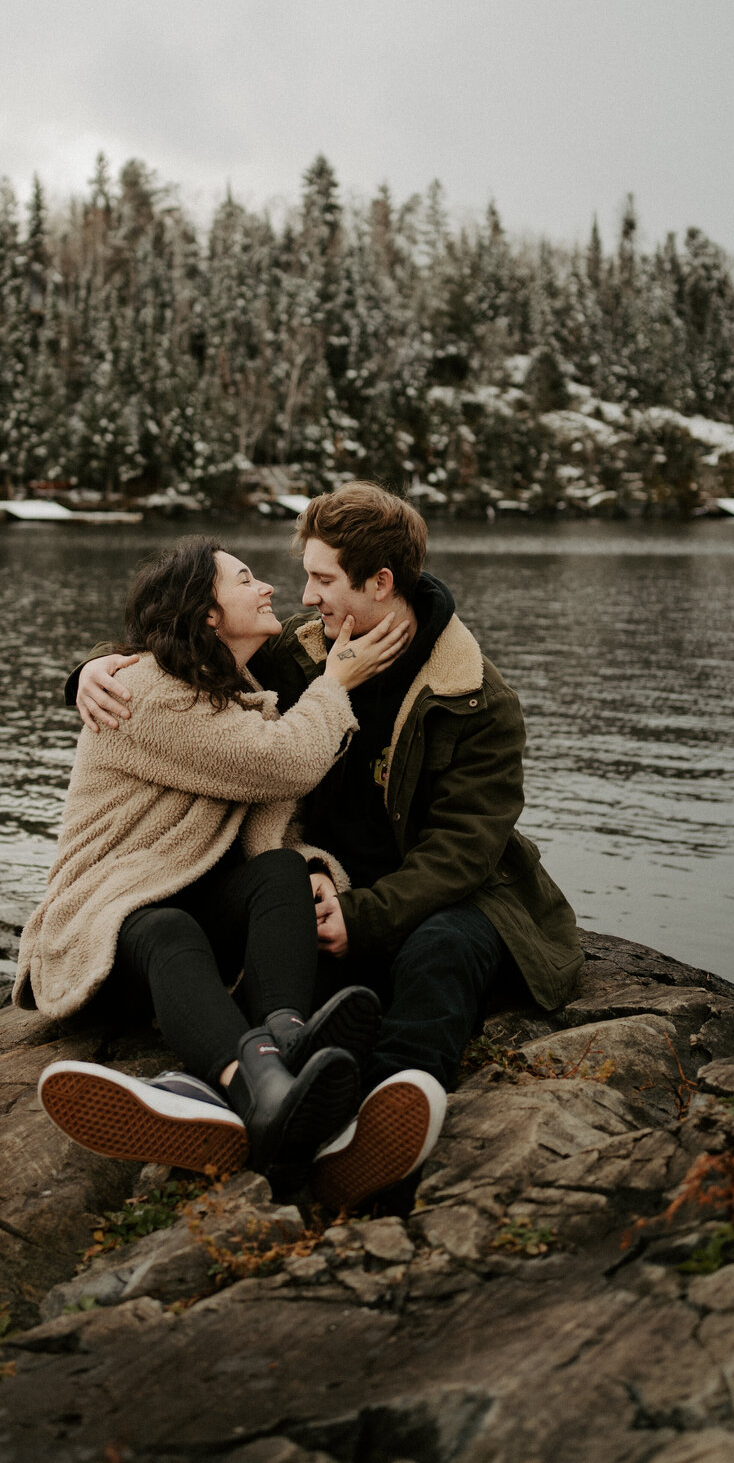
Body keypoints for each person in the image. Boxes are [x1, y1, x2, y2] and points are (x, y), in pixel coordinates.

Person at [73, 483, 583, 1208]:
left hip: (442, 896)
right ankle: (271, 1095)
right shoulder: (297, 656)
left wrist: (366, 914)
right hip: (319, 886)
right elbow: (185, 649)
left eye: (322, 579)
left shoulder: (476, 698)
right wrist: (92, 669)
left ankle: (373, 1131)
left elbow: (466, 850)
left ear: (380, 583)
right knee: (277, 947)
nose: (304, 597)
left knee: (438, 954)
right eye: (304, 575)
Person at [16, 534, 409, 1182]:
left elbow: (263, 824)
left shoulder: (224, 687)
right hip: (101, 931)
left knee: (284, 871)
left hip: (179, 912)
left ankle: (284, 1044)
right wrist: (336, 683)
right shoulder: (150, 691)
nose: (269, 588)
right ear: (207, 614)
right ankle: (256, 1086)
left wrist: (317, 876)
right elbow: (285, 760)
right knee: (162, 924)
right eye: (247, 579)